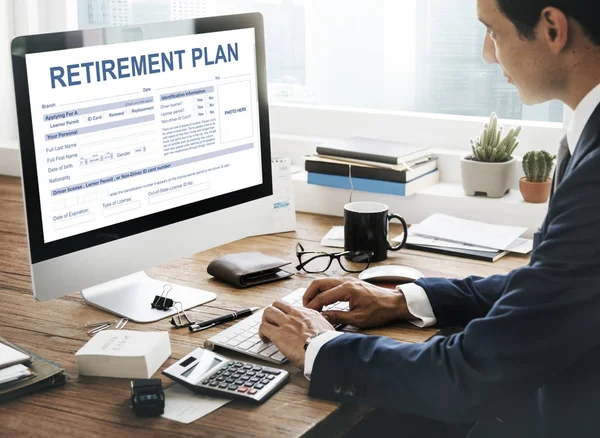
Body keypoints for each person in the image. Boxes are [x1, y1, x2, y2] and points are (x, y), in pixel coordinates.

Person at [258, 0, 600, 437]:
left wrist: (318, 346)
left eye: (493, 31)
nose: (487, 54)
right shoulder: (586, 130)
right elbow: (552, 285)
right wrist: (407, 300)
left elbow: (470, 376)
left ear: (552, 29)